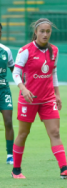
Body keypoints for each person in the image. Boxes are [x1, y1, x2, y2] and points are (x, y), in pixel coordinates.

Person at [11, 18, 67, 179]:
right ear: (35, 32)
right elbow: (15, 73)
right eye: (42, 31)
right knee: (23, 133)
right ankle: (16, 170)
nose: (45, 34)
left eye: (48, 31)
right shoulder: (25, 50)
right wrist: (23, 89)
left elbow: (53, 73)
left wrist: (57, 94)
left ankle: (64, 169)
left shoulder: (54, 50)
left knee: (55, 132)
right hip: (29, 99)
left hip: (48, 98)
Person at [0, 23, 15, 164]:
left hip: (3, 90)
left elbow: (14, 70)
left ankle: (10, 155)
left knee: (9, 121)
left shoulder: (6, 51)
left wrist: (24, 85)